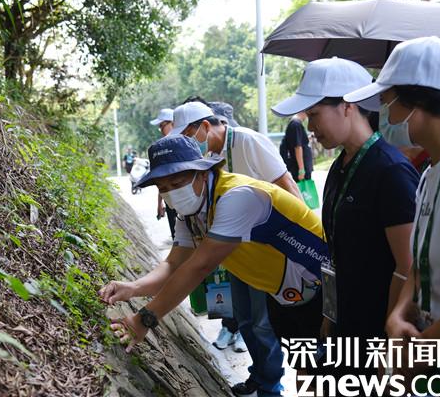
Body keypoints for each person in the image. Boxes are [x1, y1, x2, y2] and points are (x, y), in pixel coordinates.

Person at [100, 135, 329, 397]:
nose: (171, 192)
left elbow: (199, 266)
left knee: (332, 372)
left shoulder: (237, 197)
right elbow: (173, 264)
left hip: (322, 289)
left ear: (202, 173)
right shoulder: (191, 215)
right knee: (306, 370)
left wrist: (144, 319)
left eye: (177, 183)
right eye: (163, 188)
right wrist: (133, 288)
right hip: (284, 295)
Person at [272, 57, 419, 389]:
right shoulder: (339, 168)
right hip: (344, 328)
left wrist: (391, 345)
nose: (310, 127)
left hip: (378, 336)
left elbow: (408, 267)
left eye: (314, 114)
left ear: (348, 106)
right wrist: (330, 316)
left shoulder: (391, 171)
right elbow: (336, 254)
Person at [345, 36, 440, 394]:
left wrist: (419, 352)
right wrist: (398, 315)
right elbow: (420, 265)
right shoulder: (432, 171)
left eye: (388, 103)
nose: (386, 118)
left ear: (418, 100)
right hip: (437, 365)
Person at [174, 98, 299, 396]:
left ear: (206, 126)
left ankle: (271, 386)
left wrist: (298, 244)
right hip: (235, 250)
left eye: (189, 135)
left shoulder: (247, 141)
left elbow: (287, 184)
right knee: (244, 319)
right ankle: (259, 375)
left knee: (262, 322)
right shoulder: (211, 156)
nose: (189, 143)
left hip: (266, 249)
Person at [150, 108, 177, 238]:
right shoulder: (161, 147)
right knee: (176, 236)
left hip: (185, 197)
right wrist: (160, 202)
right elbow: (161, 178)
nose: (161, 129)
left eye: (162, 125)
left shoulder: (184, 142)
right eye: (160, 127)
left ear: (173, 123)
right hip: (169, 198)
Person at [279, 111, 313, 182]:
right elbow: (297, 147)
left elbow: (299, 143)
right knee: (302, 188)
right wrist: (301, 170)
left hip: (300, 166)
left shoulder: (295, 124)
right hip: (299, 167)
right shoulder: (296, 124)